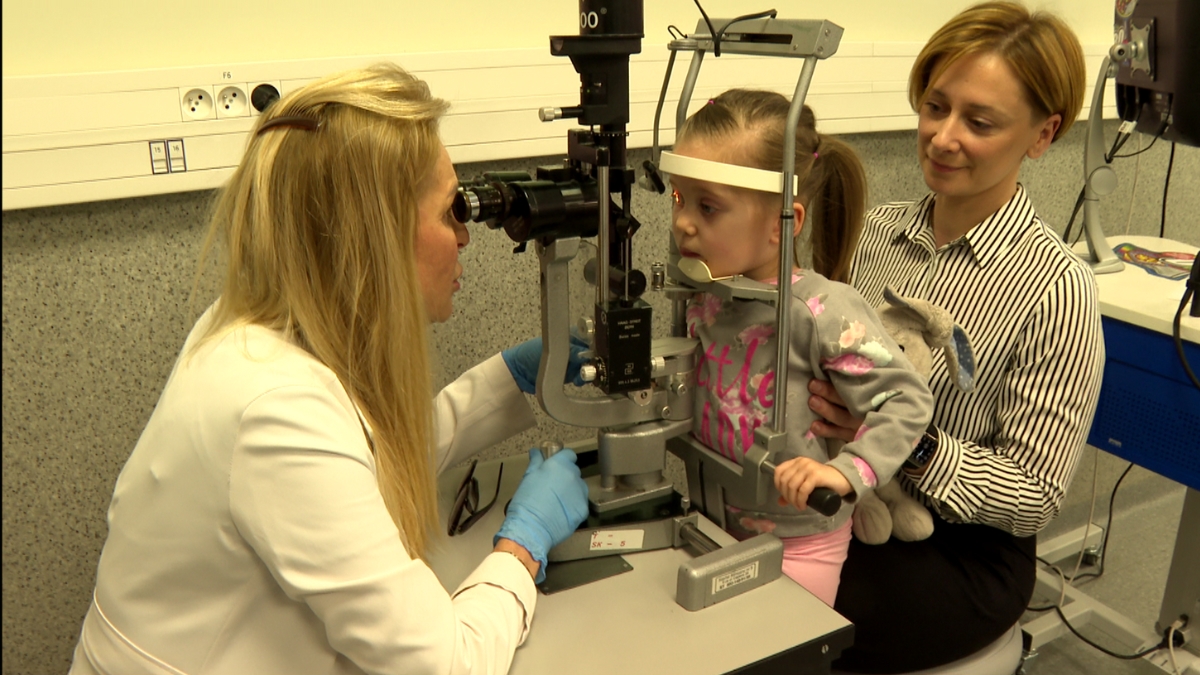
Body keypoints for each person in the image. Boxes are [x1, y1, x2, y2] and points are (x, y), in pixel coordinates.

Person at [69, 63, 592, 675]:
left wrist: (510, 376)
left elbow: (356, 461)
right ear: (377, 239)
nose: (465, 237)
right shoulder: (275, 410)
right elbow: (446, 663)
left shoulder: (252, 331)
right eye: (450, 211)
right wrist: (522, 548)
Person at [804, 2, 1105, 671]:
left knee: (801, 614)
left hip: (964, 547)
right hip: (853, 496)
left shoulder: (1057, 288)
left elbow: (1035, 493)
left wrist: (906, 443)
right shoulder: (877, 233)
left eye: (979, 122)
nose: (942, 138)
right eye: (935, 107)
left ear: (1042, 134)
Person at [669, 89, 936, 606]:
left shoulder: (822, 311)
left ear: (780, 223)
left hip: (800, 545)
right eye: (679, 199)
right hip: (710, 519)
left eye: (708, 206)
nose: (683, 222)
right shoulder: (706, 293)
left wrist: (844, 472)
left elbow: (908, 402)